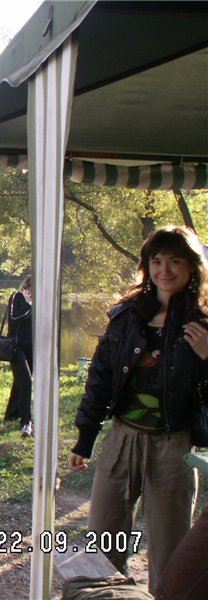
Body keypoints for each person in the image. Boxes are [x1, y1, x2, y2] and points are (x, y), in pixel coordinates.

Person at [69, 225, 208, 592]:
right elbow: (100, 379)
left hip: (174, 448)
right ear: (146, 266)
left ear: (191, 267)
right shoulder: (127, 317)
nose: (165, 270)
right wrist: (85, 439)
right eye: (157, 261)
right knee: (103, 545)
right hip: (122, 439)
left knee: (169, 556)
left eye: (175, 261)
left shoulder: (202, 324)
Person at [3, 275, 34, 437]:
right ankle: (26, 421)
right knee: (26, 381)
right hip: (16, 347)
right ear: (27, 287)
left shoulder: (38, 301)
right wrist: (28, 303)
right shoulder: (17, 297)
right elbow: (14, 317)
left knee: (20, 381)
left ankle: (11, 413)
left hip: (31, 347)